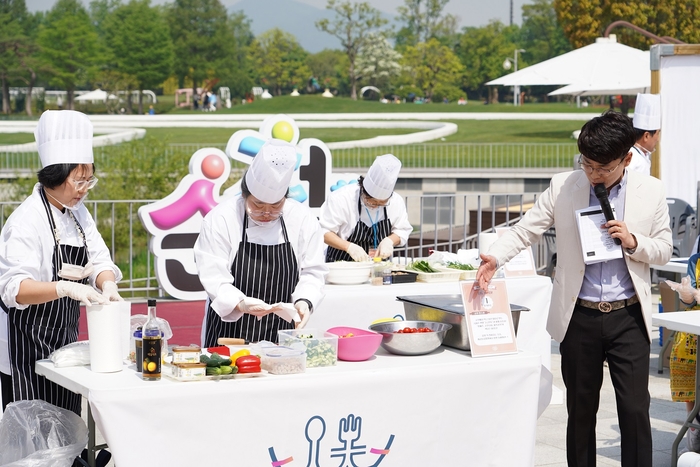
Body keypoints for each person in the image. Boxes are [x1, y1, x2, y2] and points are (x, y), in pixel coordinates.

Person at [475, 110, 672, 467]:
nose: (593, 174)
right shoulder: (564, 185)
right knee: (580, 411)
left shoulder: (652, 190)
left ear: (627, 158)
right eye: (587, 164)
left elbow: (664, 248)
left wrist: (633, 241)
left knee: (634, 411)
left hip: (628, 315)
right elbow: (525, 230)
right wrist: (495, 258)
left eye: (603, 168)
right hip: (579, 316)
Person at [0, 110, 123, 415]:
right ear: (55, 175)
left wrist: (106, 283)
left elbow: (99, 258)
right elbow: (14, 289)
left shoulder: (77, 212)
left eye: (89, 181)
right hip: (25, 345)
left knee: (67, 427)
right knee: (34, 443)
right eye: (79, 181)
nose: (84, 190)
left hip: (64, 343)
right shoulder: (26, 222)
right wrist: (65, 288)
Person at [193, 140, 327, 346]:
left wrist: (304, 301)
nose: (266, 213)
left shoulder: (302, 219)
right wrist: (240, 303)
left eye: (275, 206)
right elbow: (213, 275)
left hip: (281, 332)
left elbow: (313, 272)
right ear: (245, 195)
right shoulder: (221, 218)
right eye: (257, 204)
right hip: (230, 331)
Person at [319, 154, 412, 263]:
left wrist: (390, 241)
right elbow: (324, 232)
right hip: (341, 264)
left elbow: (402, 230)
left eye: (382, 203)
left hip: (378, 265)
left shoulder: (396, 201)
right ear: (363, 189)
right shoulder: (341, 198)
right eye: (372, 202)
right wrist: (349, 247)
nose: (376, 206)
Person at [667, 254, 700, 452]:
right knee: (685, 363)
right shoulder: (695, 261)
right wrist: (686, 293)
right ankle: (692, 429)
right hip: (694, 329)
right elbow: (688, 301)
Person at [628, 93, 661, 175]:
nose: (658, 139)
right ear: (646, 136)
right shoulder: (632, 158)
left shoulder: (640, 155)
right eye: (657, 134)